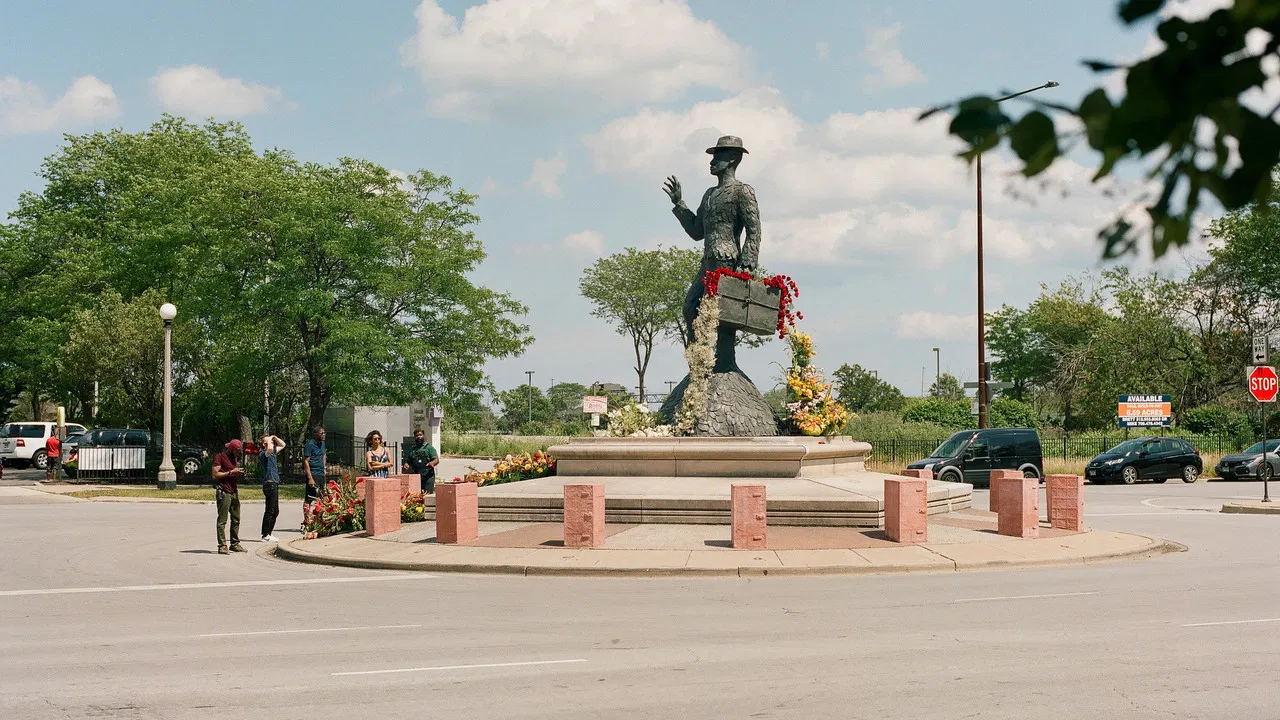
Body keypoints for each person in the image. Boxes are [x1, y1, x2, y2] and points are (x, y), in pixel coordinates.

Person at [212, 439, 246, 555]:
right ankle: (222, 545)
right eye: (236, 451)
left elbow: (232, 471)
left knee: (236, 518)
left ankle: (235, 543)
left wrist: (238, 472)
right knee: (222, 520)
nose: (238, 453)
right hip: (224, 491)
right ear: (230, 449)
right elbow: (215, 474)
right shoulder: (219, 457)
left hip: (234, 491)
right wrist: (231, 473)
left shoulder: (234, 458)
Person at [258, 433, 285, 542]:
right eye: (270, 442)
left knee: (275, 510)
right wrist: (268, 440)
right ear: (264, 444)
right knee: (270, 509)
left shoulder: (272, 452)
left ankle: (269, 533)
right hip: (269, 484)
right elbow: (269, 448)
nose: (272, 443)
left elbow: (283, 445)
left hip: (274, 482)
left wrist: (274, 437)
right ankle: (265, 534)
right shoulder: (263, 453)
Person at [402, 428, 439, 494]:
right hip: (416, 476)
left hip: (428, 477)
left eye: (420, 435)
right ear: (414, 437)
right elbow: (408, 461)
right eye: (417, 435)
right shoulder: (412, 449)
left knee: (427, 496)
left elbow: (436, 460)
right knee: (416, 496)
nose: (419, 437)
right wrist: (406, 464)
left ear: (423, 436)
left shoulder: (429, 448)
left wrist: (432, 463)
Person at [302, 426, 327, 518]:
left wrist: (324, 468)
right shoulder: (310, 444)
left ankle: (320, 519)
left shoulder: (322, 443)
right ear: (315, 434)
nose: (323, 435)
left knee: (322, 497)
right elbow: (306, 461)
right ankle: (307, 520)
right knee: (309, 498)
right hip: (313, 474)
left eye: (324, 433)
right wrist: (310, 478)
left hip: (321, 474)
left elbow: (324, 455)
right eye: (321, 433)